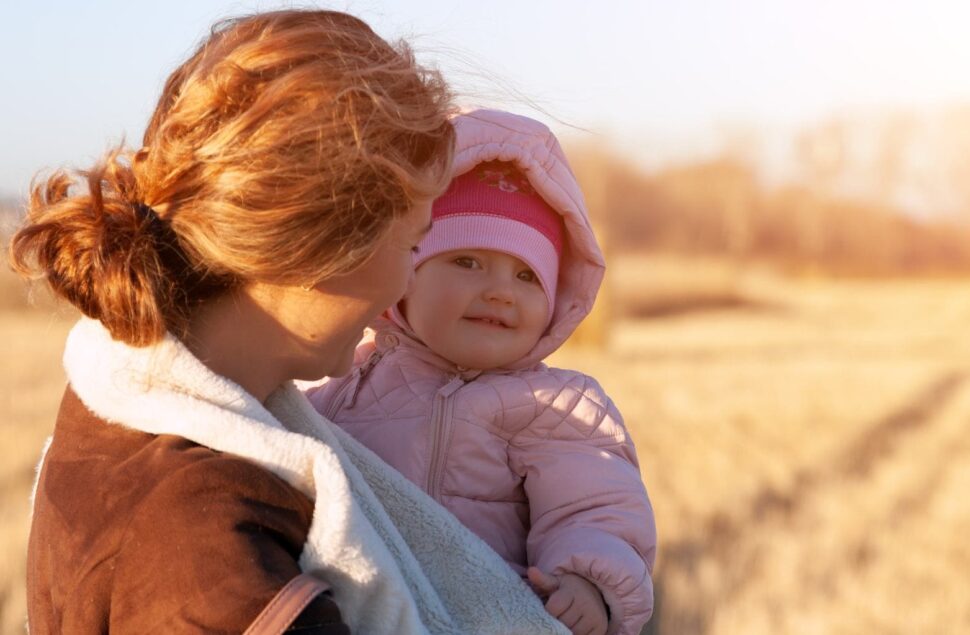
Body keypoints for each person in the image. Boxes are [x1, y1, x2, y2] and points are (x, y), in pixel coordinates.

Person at [10, 11, 566, 634]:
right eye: (413, 246)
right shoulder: (208, 557)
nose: (406, 286)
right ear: (323, 248)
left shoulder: (122, 420)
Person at [307, 109, 657, 635]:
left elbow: (595, 510)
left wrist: (587, 582)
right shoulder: (345, 381)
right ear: (405, 274)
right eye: (467, 262)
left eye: (526, 275)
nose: (500, 291)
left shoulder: (557, 405)